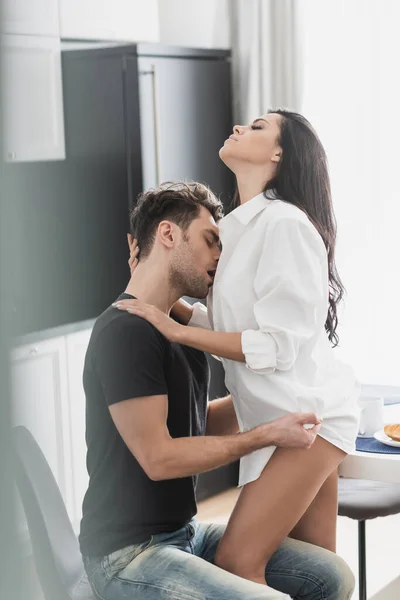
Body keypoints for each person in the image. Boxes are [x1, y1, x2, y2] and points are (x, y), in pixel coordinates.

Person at [115, 110, 360, 587]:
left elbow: (276, 347)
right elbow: (238, 328)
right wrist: (165, 307)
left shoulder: (284, 224)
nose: (240, 128)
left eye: (258, 127)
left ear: (278, 154)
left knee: (237, 561)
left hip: (307, 418)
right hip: (290, 414)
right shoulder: (238, 232)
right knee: (317, 575)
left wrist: (178, 331)